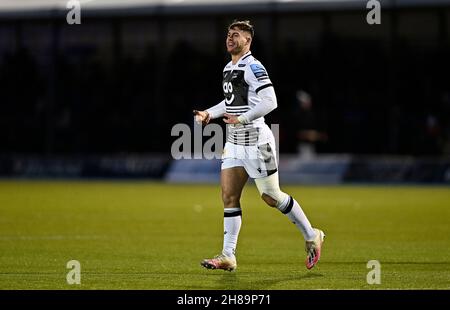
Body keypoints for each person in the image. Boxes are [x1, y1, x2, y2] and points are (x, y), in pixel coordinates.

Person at [193, 20, 325, 272]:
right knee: (229, 196)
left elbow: (270, 101)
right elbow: (230, 102)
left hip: (257, 141)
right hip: (234, 142)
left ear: (248, 41)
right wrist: (209, 113)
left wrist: (242, 118)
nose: (230, 38)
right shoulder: (228, 67)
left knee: (271, 196)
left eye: (236, 35)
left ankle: (311, 234)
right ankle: (228, 255)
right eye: (228, 34)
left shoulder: (253, 66)